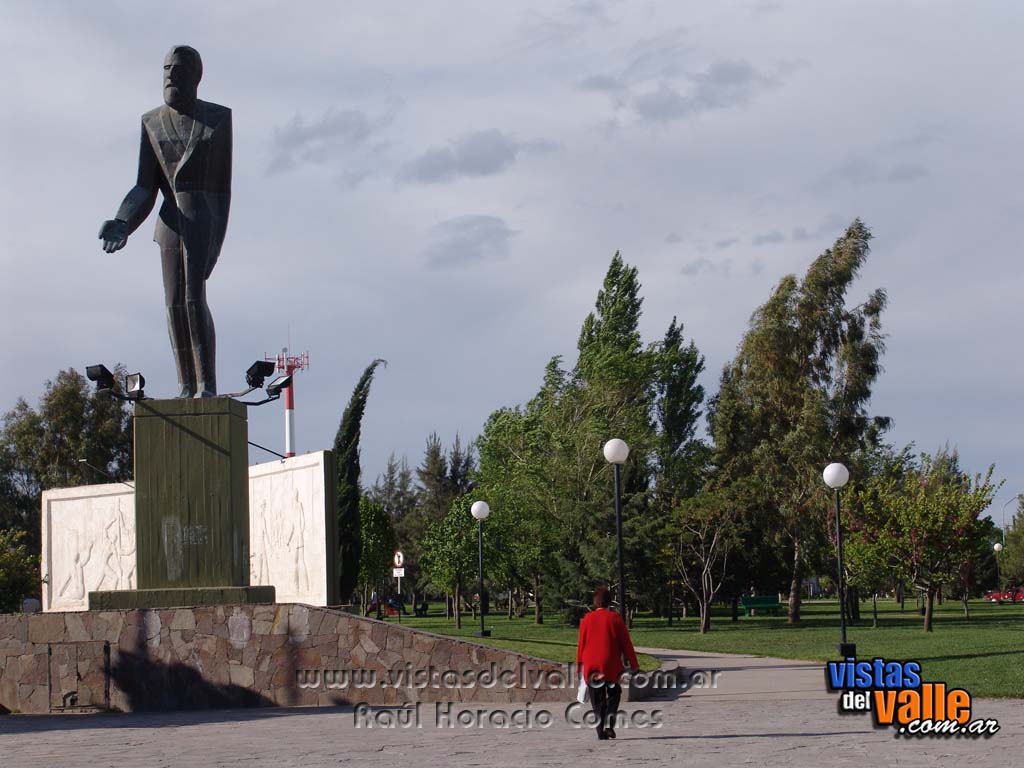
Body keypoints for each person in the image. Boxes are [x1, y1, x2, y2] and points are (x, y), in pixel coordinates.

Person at [99, 45, 232, 398]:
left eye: (179, 69)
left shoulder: (218, 118)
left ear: (196, 76)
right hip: (169, 222)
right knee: (173, 303)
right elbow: (145, 185)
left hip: (202, 218)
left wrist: (217, 239)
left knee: (193, 298)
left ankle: (206, 385)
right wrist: (123, 221)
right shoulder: (152, 122)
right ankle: (186, 384)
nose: (171, 75)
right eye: (166, 68)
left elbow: (222, 190)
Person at [576, 586, 641, 740]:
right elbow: (626, 644)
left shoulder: (586, 620)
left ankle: (600, 729)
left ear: (595, 602)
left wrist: (579, 665)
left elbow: (581, 644)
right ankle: (609, 725)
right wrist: (634, 665)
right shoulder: (616, 619)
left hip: (592, 665)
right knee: (614, 693)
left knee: (597, 697)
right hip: (611, 665)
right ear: (609, 602)